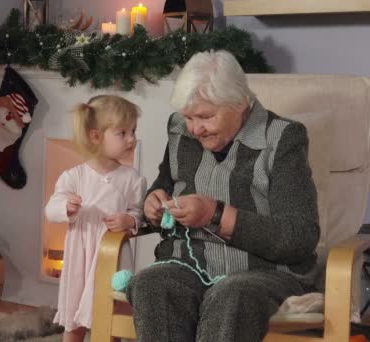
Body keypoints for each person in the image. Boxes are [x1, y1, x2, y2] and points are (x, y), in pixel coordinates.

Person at [127, 50, 320, 342]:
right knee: (152, 284)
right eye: (188, 116)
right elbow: (165, 184)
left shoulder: (282, 139)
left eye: (205, 116)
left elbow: (300, 235)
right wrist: (154, 202)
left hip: (262, 272)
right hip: (188, 264)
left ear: (240, 102)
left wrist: (215, 215)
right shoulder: (182, 132)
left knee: (231, 296)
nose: (195, 128)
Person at [45, 95, 147, 342]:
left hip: (113, 254)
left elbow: (139, 214)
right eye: (122, 133)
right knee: (75, 312)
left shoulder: (132, 179)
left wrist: (130, 221)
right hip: (81, 253)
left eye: (133, 131)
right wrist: (66, 207)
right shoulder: (74, 177)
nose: (132, 138)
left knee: (111, 312)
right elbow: (51, 208)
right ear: (95, 136)